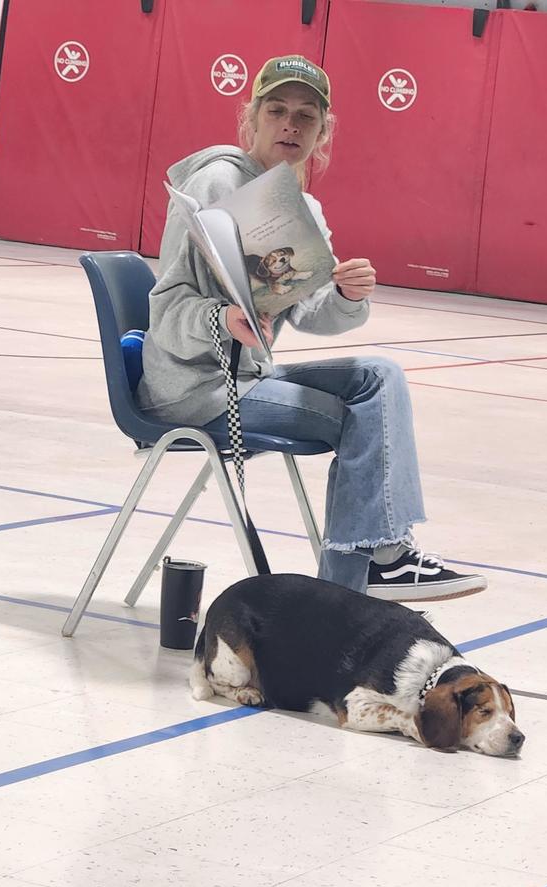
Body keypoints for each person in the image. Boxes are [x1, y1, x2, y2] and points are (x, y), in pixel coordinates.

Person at [137, 54, 487, 603]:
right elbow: (167, 307)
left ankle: (379, 560)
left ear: (324, 131)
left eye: (307, 116)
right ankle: (356, 582)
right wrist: (221, 319)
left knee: (380, 374)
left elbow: (310, 312)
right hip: (194, 390)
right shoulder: (215, 182)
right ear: (250, 118)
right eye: (276, 110)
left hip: (251, 377)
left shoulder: (301, 207)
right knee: (359, 422)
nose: (290, 125)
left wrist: (347, 295)